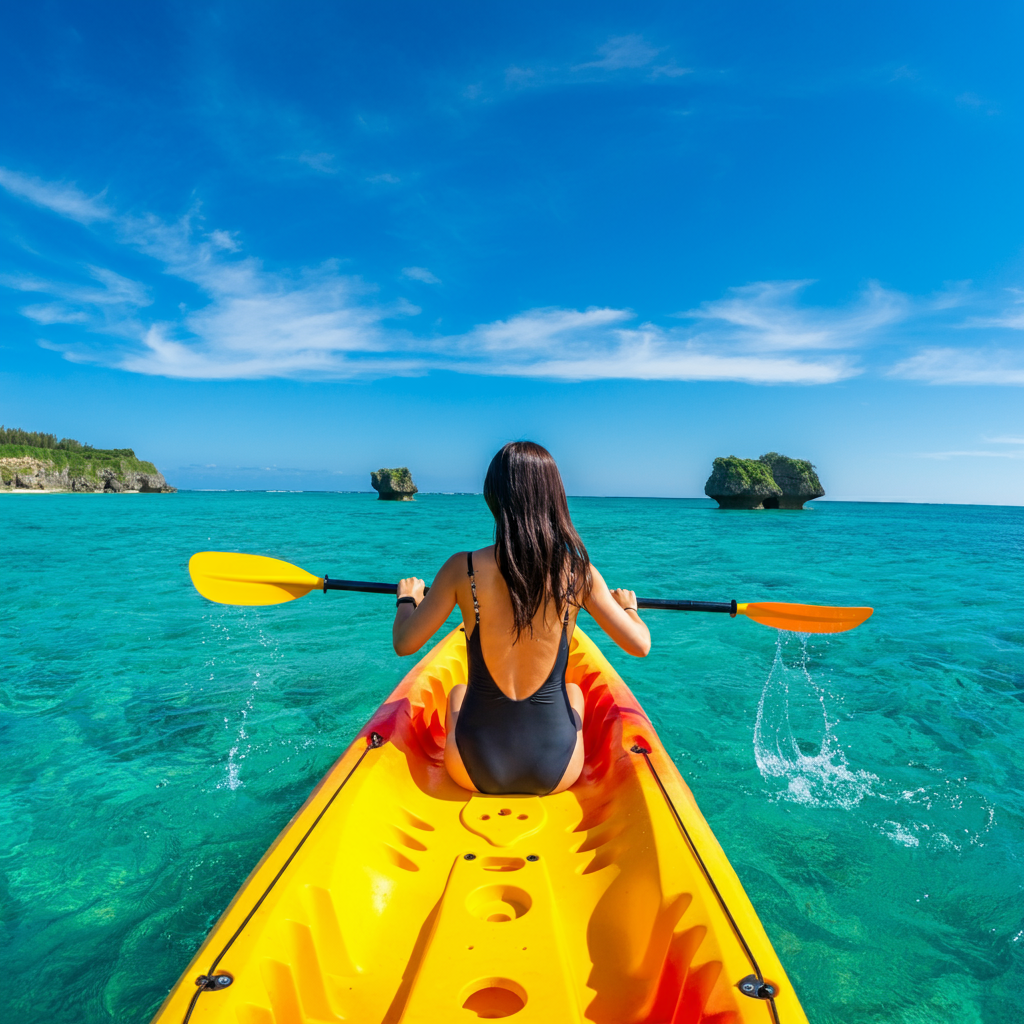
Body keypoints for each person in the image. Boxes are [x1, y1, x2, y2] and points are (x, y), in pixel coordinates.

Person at [392, 441, 651, 795]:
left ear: (493, 496)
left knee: (457, 693)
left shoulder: (461, 568)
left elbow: (404, 643)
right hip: (557, 772)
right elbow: (640, 645)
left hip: (472, 768)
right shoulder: (579, 573)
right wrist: (628, 608)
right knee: (573, 691)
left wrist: (408, 599)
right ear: (555, 497)